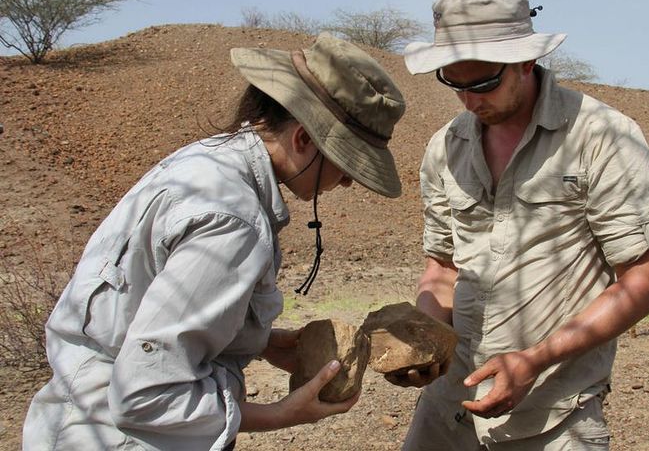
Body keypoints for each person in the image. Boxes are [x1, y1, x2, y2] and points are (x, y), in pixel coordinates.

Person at [22, 32, 406, 451]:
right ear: (303, 140)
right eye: (346, 163)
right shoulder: (233, 220)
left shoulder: (207, 162)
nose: (348, 180)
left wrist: (258, 341)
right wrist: (284, 413)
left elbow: (149, 309)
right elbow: (147, 397)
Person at [394, 0, 649, 449]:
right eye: (454, 84)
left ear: (525, 60)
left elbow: (643, 280)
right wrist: (424, 339)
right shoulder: (446, 147)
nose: (469, 100)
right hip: (449, 404)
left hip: (552, 415)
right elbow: (443, 269)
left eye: (483, 82)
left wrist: (535, 360)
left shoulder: (602, 138)